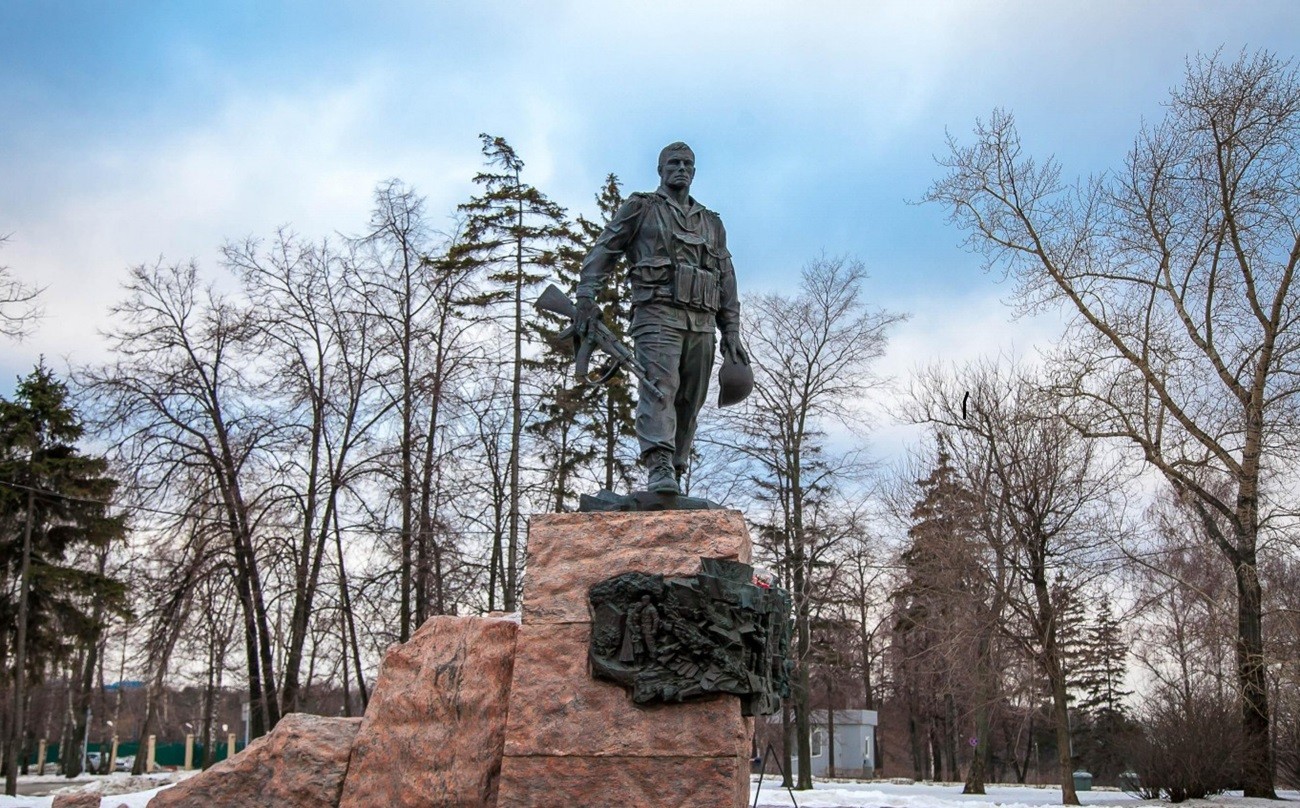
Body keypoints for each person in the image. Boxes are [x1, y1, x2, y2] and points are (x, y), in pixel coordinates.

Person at [575, 142, 748, 495]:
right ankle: (659, 465)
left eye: (687, 163)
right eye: (673, 163)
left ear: (695, 172)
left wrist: (731, 329)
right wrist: (585, 296)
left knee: (690, 399)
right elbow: (605, 250)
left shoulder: (711, 223)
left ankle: (676, 469)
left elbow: (726, 277)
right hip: (657, 315)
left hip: (701, 321)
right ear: (660, 170)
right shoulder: (642, 208)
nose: (680, 168)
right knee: (659, 389)